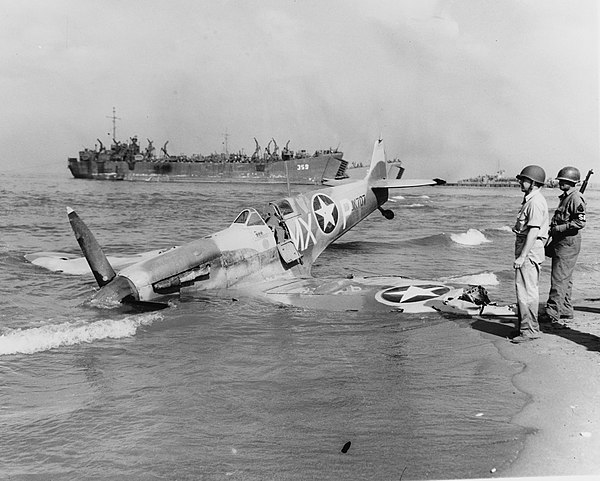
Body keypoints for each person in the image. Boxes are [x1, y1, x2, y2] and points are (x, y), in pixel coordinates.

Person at [511, 165, 549, 343]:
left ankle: (529, 330)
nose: (520, 182)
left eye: (523, 180)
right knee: (526, 289)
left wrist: (522, 256)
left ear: (533, 182)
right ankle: (527, 328)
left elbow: (533, 232)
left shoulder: (534, 202)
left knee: (526, 291)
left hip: (530, 250)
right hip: (530, 248)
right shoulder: (531, 199)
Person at [544, 166, 586, 323]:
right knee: (565, 278)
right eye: (560, 180)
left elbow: (580, 222)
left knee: (559, 279)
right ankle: (565, 310)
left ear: (572, 182)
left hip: (567, 243)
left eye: (564, 181)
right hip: (562, 242)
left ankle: (552, 313)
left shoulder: (575, 198)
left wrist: (558, 228)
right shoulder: (566, 197)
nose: (560, 182)